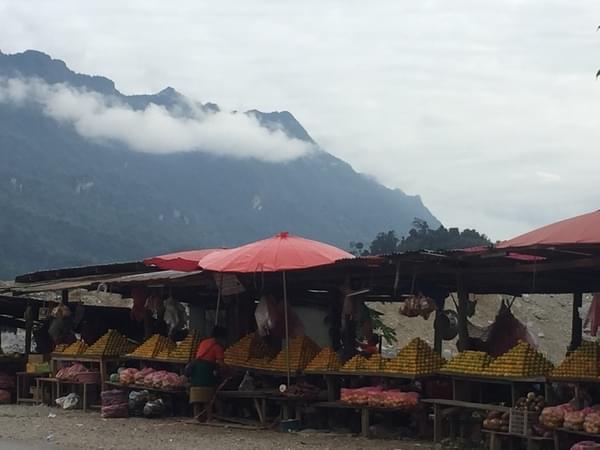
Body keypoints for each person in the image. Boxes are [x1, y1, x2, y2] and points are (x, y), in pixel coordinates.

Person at [186, 326, 227, 421]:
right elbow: (222, 365)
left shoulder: (204, 342)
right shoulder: (217, 347)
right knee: (207, 399)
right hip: (205, 372)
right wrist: (227, 370)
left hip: (196, 371)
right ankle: (209, 418)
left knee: (196, 397)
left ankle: (197, 418)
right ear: (221, 337)